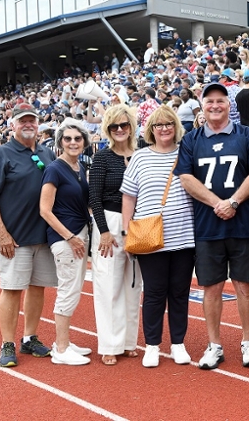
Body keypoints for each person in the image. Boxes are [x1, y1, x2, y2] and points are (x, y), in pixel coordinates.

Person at [175, 81, 249, 370]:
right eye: (209, 101)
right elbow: (186, 178)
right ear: (202, 105)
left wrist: (234, 202)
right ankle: (214, 344)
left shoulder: (247, 135)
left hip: (243, 223)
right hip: (207, 225)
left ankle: (248, 341)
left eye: (221, 101)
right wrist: (218, 203)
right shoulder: (191, 139)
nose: (215, 106)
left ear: (230, 105)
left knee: (243, 286)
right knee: (211, 288)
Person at [0, 103, 57, 367]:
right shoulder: (1, 154)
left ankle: (30, 337)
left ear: (38, 125)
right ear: (12, 125)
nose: (28, 125)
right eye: (22, 121)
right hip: (14, 239)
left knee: (38, 288)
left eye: (32, 121)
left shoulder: (47, 153)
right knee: (12, 289)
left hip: (44, 237)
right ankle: (7, 343)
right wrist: (2, 233)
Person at [121, 105, 195, 367]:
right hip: (149, 236)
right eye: (158, 125)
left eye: (169, 124)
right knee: (154, 292)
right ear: (151, 130)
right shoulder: (140, 157)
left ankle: (178, 343)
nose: (164, 129)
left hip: (185, 236)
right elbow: (129, 196)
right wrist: (127, 229)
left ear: (176, 127)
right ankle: (151, 345)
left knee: (179, 292)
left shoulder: (187, 153)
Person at [88, 104, 142, 366]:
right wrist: (104, 231)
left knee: (133, 285)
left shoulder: (142, 155)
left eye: (124, 125)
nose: (120, 130)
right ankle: (110, 344)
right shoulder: (102, 157)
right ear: (107, 130)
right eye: (114, 126)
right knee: (108, 284)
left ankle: (129, 341)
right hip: (108, 221)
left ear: (131, 126)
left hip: (138, 224)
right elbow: (94, 198)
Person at [39, 118, 93, 366]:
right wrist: (69, 237)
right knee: (68, 291)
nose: (73, 142)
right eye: (68, 138)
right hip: (65, 239)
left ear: (84, 142)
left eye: (78, 138)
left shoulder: (80, 167)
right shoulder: (54, 169)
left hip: (79, 236)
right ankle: (60, 349)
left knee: (73, 288)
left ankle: (65, 342)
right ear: (60, 142)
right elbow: (45, 210)